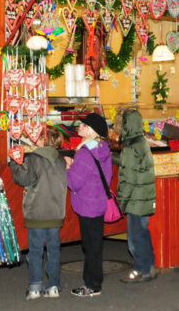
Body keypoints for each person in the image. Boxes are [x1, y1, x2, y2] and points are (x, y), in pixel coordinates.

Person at [9, 126, 67, 300]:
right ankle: (53, 286)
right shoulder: (61, 160)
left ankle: (35, 287)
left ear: (42, 140)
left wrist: (14, 162)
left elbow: (23, 179)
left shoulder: (34, 158)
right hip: (56, 212)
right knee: (54, 251)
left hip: (37, 212)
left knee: (35, 252)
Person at [65, 113, 112, 298]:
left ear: (91, 130)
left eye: (83, 125)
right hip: (98, 201)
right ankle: (94, 282)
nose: (79, 127)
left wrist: (68, 166)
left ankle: (92, 285)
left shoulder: (85, 153)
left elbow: (74, 182)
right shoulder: (103, 148)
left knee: (90, 246)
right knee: (95, 244)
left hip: (86, 204)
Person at [113, 109, 157, 283]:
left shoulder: (131, 147)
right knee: (143, 234)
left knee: (135, 238)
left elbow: (128, 178)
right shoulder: (141, 142)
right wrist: (114, 158)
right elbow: (132, 165)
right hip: (144, 196)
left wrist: (120, 203)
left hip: (135, 199)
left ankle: (141, 270)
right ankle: (150, 267)